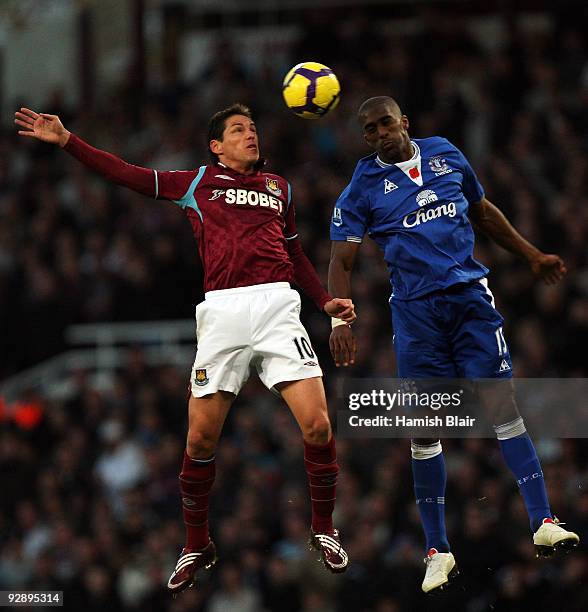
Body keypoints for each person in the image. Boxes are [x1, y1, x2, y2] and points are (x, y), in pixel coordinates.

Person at [15, 104, 353, 594]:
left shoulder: (280, 188)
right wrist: (69, 141)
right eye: (238, 130)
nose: (249, 135)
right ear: (216, 146)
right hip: (221, 315)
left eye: (253, 128)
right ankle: (197, 543)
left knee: (318, 424)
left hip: (279, 307)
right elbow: (127, 175)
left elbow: (295, 250)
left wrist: (324, 302)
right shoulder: (196, 183)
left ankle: (324, 529)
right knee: (199, 443)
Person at [327, 96, 579, 594]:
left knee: (501, 405)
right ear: (365, 138)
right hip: (417, 315)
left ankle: (544, 522)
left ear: (405, 122)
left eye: (386, 123)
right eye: (370, 130)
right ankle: (438, 551)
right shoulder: (360, 189)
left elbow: (483, 213)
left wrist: (531, 255)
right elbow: (342, 261)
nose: (380, 134)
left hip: (469, 300)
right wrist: (340, 320)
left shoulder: (445, 152)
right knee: (425, 430)